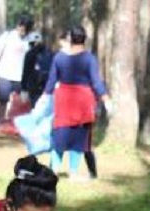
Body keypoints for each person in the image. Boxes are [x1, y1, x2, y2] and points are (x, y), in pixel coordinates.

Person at [37, 26, 111, 180]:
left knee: (59, 133)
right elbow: (96, 82)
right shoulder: (89, 58)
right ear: (84, 39)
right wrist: (106, 99)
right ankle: (73, 172)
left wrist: (44, 96)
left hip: (63, 98)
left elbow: (51, 80)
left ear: (70, 38)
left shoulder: (59, 58)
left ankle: (54, 170)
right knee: (79, 137)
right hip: (83, 100)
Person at [0, 15, 33, 122]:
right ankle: (1, 121)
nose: (23, 32)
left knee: (18, 102)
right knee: (3, 100)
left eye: (26, 30)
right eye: (22, 28)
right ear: (18, 26)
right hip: (5, 73)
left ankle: (14, 123)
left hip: (20, 76)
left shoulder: (29, 41)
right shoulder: (7, 36)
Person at [20, 31, 52, 107]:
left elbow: (26, 72)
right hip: (47, 86)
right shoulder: (49, 53)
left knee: (35, 108)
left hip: (34, 87)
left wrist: (24, 88)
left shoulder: (30, 54)